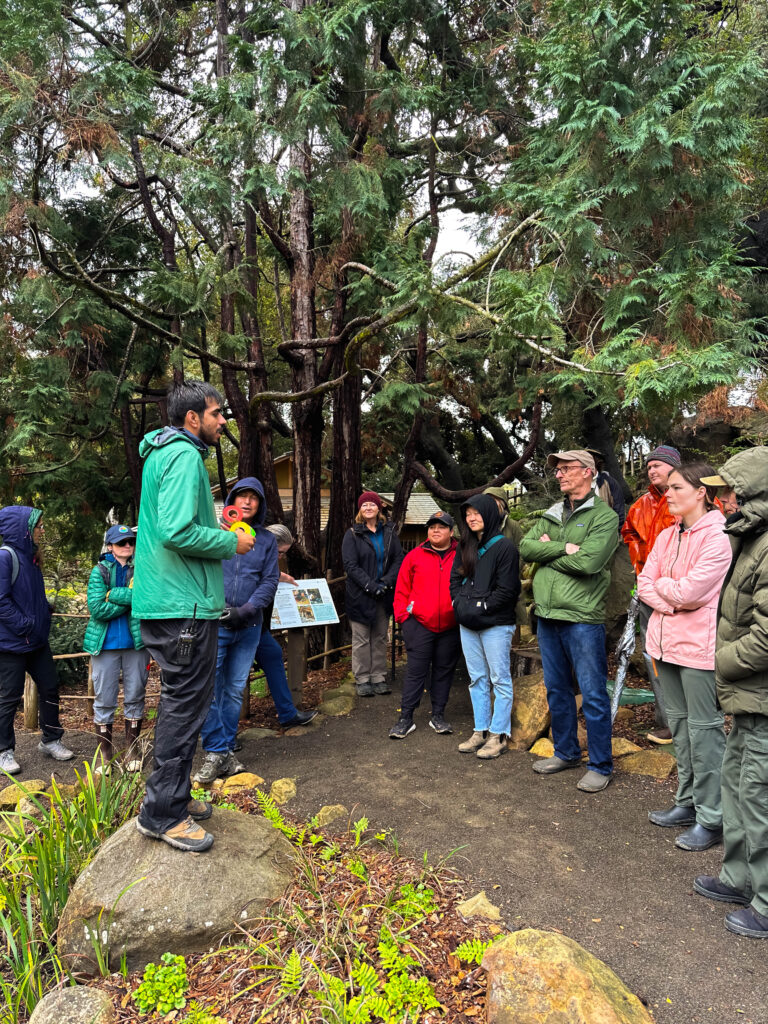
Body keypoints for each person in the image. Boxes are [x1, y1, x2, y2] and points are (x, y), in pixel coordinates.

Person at [132, 380, 254, 853]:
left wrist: (214, 525)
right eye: (217, 413)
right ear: (192, 418)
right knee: (185, 707)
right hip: (183, 605)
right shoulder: (184, 456)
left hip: (169, 601)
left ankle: (172, 800)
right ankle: (162, 814)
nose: (223, 420)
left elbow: (173, 524)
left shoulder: (160, 454)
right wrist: (231, 543)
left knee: (183, 704)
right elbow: (175, 531)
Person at [693, 448, 768, 938]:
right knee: (738, 788)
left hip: (761, 697)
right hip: (748, 699)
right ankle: (740, 878)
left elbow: (765, 637)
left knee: (760, 797)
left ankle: (765, 902)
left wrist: (716, 662)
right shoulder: (752, 538)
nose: (722, 501)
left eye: (729, 491)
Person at [638, 463, 731, 851]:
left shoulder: (719, 536)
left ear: (701, 493)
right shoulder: (666, 535)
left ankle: (714, 817)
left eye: (677, 487)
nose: (669, 493)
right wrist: (670, 596)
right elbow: (644, 583)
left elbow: (693, 591)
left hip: (698, 649)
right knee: (679, 726)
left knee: (705, 731)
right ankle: (688, 802)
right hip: (664, 644)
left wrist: (669, 594)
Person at [520, 450, 618, 792]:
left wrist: (551, 551)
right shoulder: (552, 513)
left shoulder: (604, 517)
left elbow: (589, 565)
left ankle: (601, 764)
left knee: (591, 693)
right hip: (547, 616)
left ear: (587, 473)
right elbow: (527, 548)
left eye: (566, 469)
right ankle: (566, 752)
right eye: (557, 470)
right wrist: (565, 548)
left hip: (582, 618)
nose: (559, 475)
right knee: (557, 689)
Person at [194, 478, 280, 785]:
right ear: (231, 499)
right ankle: (218, 750)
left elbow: (270, 581)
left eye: (253, 498)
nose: (247, 502)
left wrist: (247, 609)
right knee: (209, 688)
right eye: (241, 496)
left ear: (260, 504)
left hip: (249, 625)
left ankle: (223, 749)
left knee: (233, 689)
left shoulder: (267, 540)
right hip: (214, 622)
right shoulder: (216, 533)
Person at [0, 506, 73, 774]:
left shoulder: (31, 559)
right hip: (11, 644)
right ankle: (4, 751)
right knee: (9, 697)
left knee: (50, 688)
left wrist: (43, 611)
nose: (42, 530)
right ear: (24, 530)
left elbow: (28, 597)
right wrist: (26, 624)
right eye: (39, 526)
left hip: (36, 641)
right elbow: (1, 601)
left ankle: (51, 739)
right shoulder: (5, 557)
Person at [449, 494, 519, 760]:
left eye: (477, 513)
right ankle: (480, 730)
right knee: (477, 678)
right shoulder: (465, 545)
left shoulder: (505, 548)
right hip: (468, 624)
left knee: (499, 679)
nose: (472, 518)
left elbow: (507, 591)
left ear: (489, 514)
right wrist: (458, 602)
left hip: (495, 625)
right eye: (468, 514)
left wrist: (483, 607)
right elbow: (455, 579)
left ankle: (498, 734)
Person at [621, 445, 682, 744]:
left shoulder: (690, 498)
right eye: (649, 466)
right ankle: (666, 721)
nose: (652, 470)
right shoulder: (641, 505)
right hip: (648, 587)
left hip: (682, 591)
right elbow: (628, 532)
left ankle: (692, 720)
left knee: (686, 654)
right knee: (653, 654)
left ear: (674, 467)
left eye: (658, 465)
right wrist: (639, 559)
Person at [390, 510, 461, 739]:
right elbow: (401, 590)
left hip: (451, 625)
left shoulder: (462, 554)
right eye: (432, 527)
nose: (436, 530)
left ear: (451, 531)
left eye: (441, 527)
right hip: (419, 624)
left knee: (443, 671)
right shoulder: (415, 556)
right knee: (415, 672)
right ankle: (405, 718)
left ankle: (438, 715)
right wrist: (404, 619)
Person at [83, 524, 148, 771]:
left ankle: (132, 752)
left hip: (136, 644)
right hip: (105, 645)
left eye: (130, 542)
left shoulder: (141, 569)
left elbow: (145, 598)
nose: (128, 546)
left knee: (135, 696)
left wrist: (114, 595)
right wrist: (129, 601)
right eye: (122, 543)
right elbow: (97, 608)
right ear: (110, 546)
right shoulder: (99, 571)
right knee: (104, 699)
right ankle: (105, 754)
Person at [251, 523, 318, 731]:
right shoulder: (247, 553)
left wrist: (283, 577)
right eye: (280, 552)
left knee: (273, 654)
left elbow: (267, 572)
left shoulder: (267, 561)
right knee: (232, 677)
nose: (280, 557)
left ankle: (288, 714)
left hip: (258, 628)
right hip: (240, 625)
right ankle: (224, 736)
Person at [342, 491, 403, 698]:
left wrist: (386, 582)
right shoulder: (352, 534)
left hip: (383, 593)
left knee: (379, 637)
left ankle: (378, 676)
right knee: (361, 639)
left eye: (372, 504)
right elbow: (350, 565)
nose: (368, 507)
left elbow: (398, 559)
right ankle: (362, 678)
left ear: (379, 508)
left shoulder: (388, 532)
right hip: (360, 595)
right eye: (364, 505)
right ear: (360, 509)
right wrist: (370, 585)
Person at [483, 487, 527, 628]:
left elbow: (522, 549)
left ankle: (513, 645)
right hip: (484, 582)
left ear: (503, 504)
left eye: (494, 502)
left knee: (512, 612)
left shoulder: (512, 526)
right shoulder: (477, 525)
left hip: (509, 579)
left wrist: (512, 569)